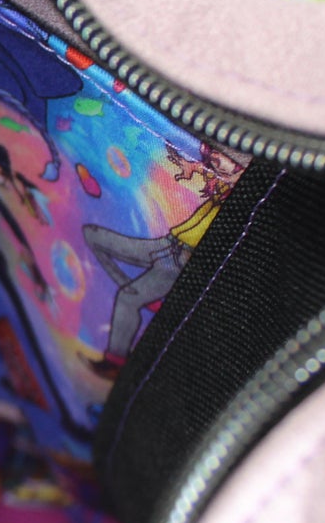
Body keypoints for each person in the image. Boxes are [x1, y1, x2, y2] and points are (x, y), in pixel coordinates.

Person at [80, 141, 244, 379]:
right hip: (166, 243)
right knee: (92, 235)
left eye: (216, 161)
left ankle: (115, 361)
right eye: (211, 160)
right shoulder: (216, 182)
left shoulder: (231, 187)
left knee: (127, 299)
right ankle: (146, 295)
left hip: (182, 260)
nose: (214, 162)